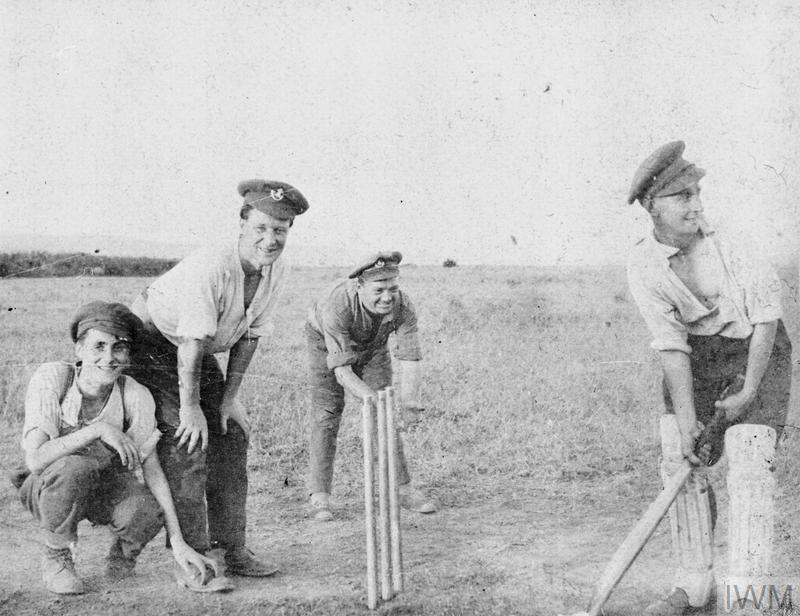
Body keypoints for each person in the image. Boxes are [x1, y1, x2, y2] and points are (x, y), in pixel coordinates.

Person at [626, 141, 792, 615]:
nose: (696, 204)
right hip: (698, 359)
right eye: (682, 196)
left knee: (749, 460)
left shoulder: (732, 238)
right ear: (650, 205)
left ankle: (747, 595)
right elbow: (673, 348)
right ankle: (693, 585)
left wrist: (749, 390)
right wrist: (685, 424)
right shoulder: (642, 262)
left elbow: (764, 318)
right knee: (676, 456)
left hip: (759, 349)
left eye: (698, 192)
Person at [128, 179, 308, 583]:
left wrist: (229, 399)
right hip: (153, 344)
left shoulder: (277, 268)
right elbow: (189, 344)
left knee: (231, 432)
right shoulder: (213, 264)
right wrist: (191, 409)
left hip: (196, 350)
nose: (270, 239)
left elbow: (249, 335)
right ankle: (193, 559)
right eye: (261, 228)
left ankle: (234, 549)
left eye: (280, 230)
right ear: (242, 224)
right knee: (189, 439)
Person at [16, 301, 221, 595]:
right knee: (76, 467)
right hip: (48, 486)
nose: (109, 358)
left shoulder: (134, 394)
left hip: (101, 487)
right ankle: (57, 557)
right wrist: (98, 430)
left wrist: (178, 540)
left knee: (147, 508)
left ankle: (121, 559)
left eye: (119, 347)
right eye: (98, 346)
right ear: (79, 349)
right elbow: (35, 460)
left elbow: (152, 470)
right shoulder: (54, 378)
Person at [305, 251, 436, 521]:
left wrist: (409, 404)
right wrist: (373, 399)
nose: (387, 297)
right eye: (379, 290)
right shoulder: (338, 304)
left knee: (384, 417)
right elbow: (342, 371)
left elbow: (410, 357)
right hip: (326, 344)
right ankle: (320, 496)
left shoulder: (403, 306)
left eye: (393, 289)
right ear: (359, 286)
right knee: (327, 413)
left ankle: (402, 489)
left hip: (373, 346)